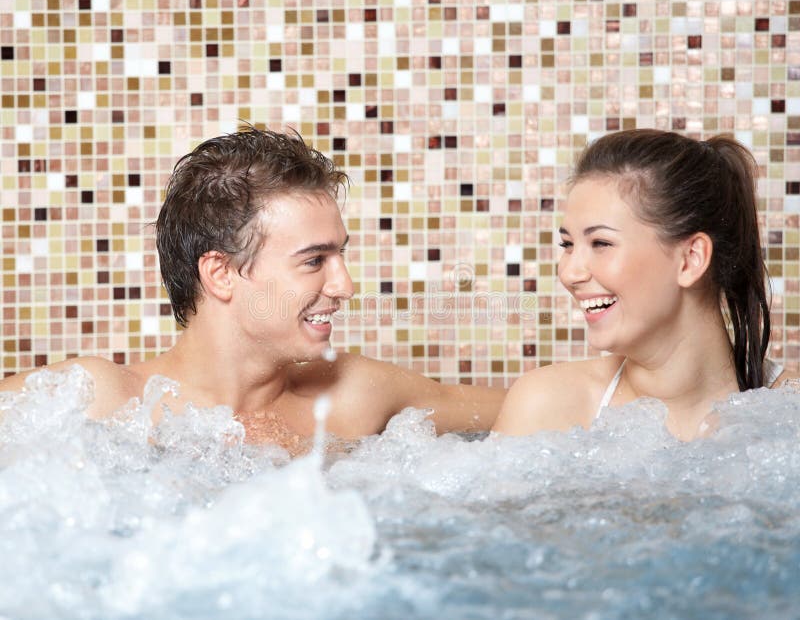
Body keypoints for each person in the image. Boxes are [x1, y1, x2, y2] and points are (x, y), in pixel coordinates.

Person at [1, 127, 504, 453]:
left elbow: (547, 415)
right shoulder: (96, 402)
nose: (345, 285)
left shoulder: (354, 396)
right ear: (220, 273)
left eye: (340, 256)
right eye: (314, 260)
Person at [492, 129, 796, 441]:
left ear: (691, 259)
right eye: (568, 244)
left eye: (600, 243)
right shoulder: (548, 409)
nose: (569, 273)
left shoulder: (791, 415)